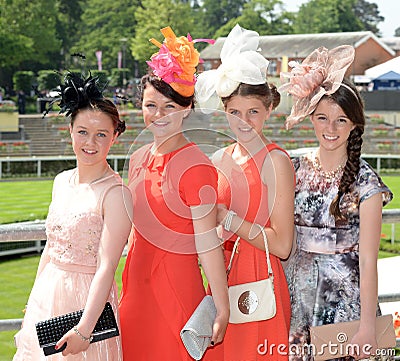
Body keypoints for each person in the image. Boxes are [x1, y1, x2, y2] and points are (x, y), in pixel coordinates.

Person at [118, 26, 229, 361]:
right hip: (134, 292)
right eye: (151, 105)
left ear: (186, 108)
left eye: (169, 106)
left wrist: (221, 306)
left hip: (176, 293)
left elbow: (208, 243)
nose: (159, 115)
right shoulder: (137, 159)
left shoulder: (197, 166)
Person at [279, 45, 393, 360]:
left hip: (346, 308)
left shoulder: (365, 183)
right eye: (322, 118)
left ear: (354, 124)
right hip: (297, 302)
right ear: (310, 118)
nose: (330, 129)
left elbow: (369, 261)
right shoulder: (292, 167)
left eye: (341, 120)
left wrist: (367, 327)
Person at [13, 71, 133, 360]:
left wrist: (84, 329)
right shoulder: (60, 181)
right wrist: (34, 300)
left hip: (86, 304)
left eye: (101, 134)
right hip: (47, 295)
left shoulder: (117, 194)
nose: (90, 142)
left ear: (114, 137)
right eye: (83, 132)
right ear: (70, 130)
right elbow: (50, 250)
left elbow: (107, 267)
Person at [195, 24, 295, 360]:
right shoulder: (218, 159)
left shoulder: (276, 161)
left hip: (258, 280)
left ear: (269, 110)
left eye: (253, 112)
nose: (243, 121)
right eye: (234, 112)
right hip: (221, 282)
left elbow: (282, 245)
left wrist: (230, 219)